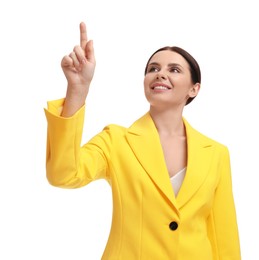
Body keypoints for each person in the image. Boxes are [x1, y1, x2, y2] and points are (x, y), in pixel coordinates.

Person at [44, 22, 241, 259]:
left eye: (175, 70)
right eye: (153, 68)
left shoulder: (216, 153)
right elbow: (63, 174)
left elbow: (223, 236)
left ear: (194, 89)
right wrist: (78, 89)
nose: (160, 73)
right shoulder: (116, 140)